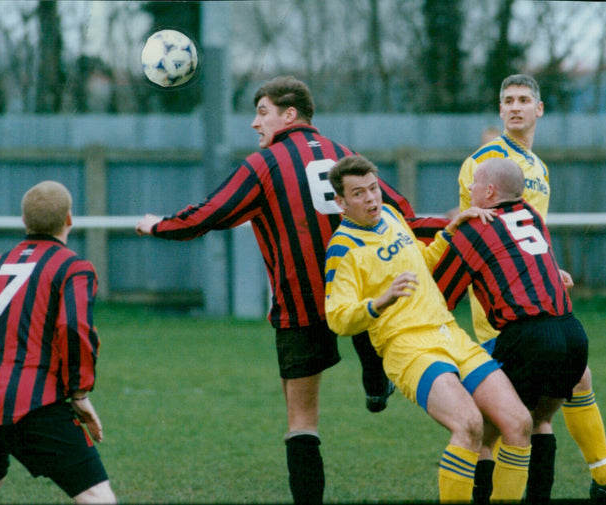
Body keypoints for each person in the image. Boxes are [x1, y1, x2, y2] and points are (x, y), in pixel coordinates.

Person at [134, 76, 447, 504]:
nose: (254, 123)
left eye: (262, 112)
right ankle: (374, 376)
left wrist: (158, 225)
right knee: (363, 311)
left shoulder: (263, 166)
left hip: (301, 303)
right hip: (360, 292)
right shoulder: (345, 154)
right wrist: (451, 223)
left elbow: (211, 213)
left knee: (302, 419)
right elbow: (400, 213)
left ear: (289, 114)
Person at [457, 74, 606, 499]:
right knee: (508, 415)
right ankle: (599, 478)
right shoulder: (484, 161)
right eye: (508, 100)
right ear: (500, 110)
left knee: (558, 392)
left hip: (535, 298)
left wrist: (549, 268)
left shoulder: (538, 167)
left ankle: (600, 478)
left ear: (539, 110)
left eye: (524, 100)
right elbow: (478, 232)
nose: (516, 106)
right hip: (501, 306)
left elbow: (530, 232)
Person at [323, 155, 532, 502]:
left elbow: (421, 262)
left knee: (519, 422)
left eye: (373, 188)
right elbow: (338, 318)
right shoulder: (343, 249)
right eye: (358, 194)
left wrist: (450, 231)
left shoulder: (390, 215)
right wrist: (381, 301)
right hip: (407, 347)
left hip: (448, 332)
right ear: (341, 203)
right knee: (469, 425)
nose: (372, 199)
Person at [431, 158, 589, 502]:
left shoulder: (475, 230)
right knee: (539, 422)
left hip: (528, 339)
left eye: (473, 185)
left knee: (484, 432)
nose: (468, 191)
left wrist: (454, 232)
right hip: (572, 333)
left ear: (489, 192)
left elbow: (440, 295)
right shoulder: (532, 214)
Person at [0, 181, 116, 504]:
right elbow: (74, 328)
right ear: (69, 219)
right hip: (31, 404)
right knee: (96, 494)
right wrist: (79, 393)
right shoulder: (74, 267)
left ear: (24, 220)